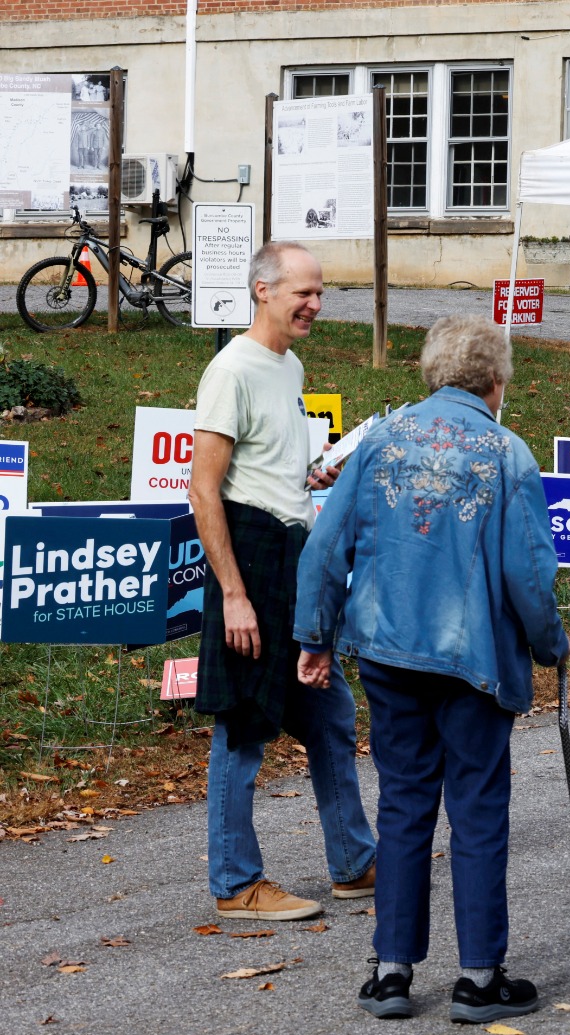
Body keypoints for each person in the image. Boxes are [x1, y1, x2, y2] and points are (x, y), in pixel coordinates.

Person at [294, 314, 569, 1024]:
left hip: (389, 651)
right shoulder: (506, 453)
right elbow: (530, 574)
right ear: (495, 383)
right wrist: (550, 644)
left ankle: (390, 971)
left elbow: (327, 545)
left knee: (404, 801)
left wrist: (314, 634)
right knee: (477, 808)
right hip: (471, 659)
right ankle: (478, 976)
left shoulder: (381, 439)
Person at [190, 241, 376, 924]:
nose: (315, 305)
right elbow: (204, 491)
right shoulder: (230, 369)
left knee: (328, 715)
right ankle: (236, 883)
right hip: (253, 558)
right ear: (263, 290)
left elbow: (268, 469)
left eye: (321, 292)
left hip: (294, 554)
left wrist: (314, 472)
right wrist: (234, 594)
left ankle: (355, 864)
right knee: (244, 725)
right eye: (303, 292)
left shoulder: (288, 365)